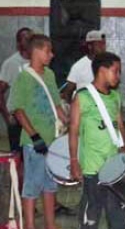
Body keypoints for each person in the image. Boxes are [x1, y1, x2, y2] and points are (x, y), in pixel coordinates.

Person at [8, 34, 67, 229]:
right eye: (48, 51)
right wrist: (34, 136)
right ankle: (30, 226)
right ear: (37, 51)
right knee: (32, 185)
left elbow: (56, 103)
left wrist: (68, 124)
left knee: (50, 185)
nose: (52, 55)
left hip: (52, 139)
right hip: (34, 143)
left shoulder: (49, 74)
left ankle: (50, 224)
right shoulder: (24, 78)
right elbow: (17, 109)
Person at [69, 52, 125, 229]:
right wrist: (74, 161)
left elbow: (120, 125)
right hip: (92, 168)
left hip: (114, 167)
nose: (118, 76)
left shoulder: (115, 97)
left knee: (117, 214)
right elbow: (73, 130)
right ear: (102, 70)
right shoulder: (82, 97)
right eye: (115, 71)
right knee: (92, 213)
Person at [0, 27, 32, 152]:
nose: (30, 40)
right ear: (19, 43)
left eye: (31, 37)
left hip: (34, 118)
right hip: (17, 119)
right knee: (17, 156)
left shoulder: (38, 61)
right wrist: (7, 116)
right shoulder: (11, 63)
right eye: (26, 38)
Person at [65, 30, 107, 98]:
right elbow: (68, 92)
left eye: (103, 43)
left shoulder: (108, 63)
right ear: (90, 46)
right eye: (99, 44)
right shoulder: (78, 66)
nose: (102, 47)